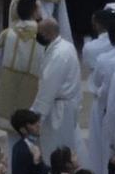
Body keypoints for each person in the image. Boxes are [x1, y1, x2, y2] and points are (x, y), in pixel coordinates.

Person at [33, 16, 82, 162]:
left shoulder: (58, 55)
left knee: (56, 152)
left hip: (58, 111)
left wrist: (34, 116)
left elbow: (47, 90)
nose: (38, 36)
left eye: (40, 32)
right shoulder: (66, 46)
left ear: (48, 34)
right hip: (65, 106)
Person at [0, 0, 46, 128]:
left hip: (10, 82)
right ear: (34, 12)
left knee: (12, 126)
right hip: (35, 82)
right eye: (39, 8)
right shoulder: (43, 33)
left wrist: (3, 76)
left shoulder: (7, 33)